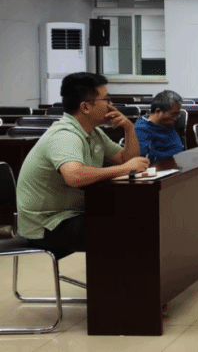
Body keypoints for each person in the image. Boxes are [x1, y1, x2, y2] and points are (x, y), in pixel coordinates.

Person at [16, 72, 149, 259]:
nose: (111, 105)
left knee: (136, 216)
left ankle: (119, 277)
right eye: (106, 100)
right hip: (47, 224)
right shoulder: (64, 135)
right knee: (125, 226)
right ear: (85, 107)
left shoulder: (93, 133)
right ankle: (117, 278)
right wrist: (125, 169)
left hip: (70, 215)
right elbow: (75, 176)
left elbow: (126, 159)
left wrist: (129, 128)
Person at [135, 90, 185, 162]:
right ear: (158, 111)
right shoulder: (141, 128)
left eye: (178, 114)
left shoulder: (167, 124)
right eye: (173, 114)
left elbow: (179, 148)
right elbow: (147, 156)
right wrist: (172, 155)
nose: (176, 118)